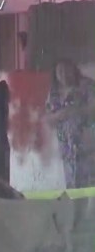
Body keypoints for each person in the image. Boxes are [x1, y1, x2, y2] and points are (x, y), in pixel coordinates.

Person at [43, 60, 95, 190]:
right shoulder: (54, 92)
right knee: (72, 186)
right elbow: (47, 118)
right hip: (66, 149)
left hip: (88, 148)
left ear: (74, 69)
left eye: (67, 69)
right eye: (60, 71)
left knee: (89, 186)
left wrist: (75, 111)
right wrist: (60, 115)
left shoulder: (87, 86)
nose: (64, 74)